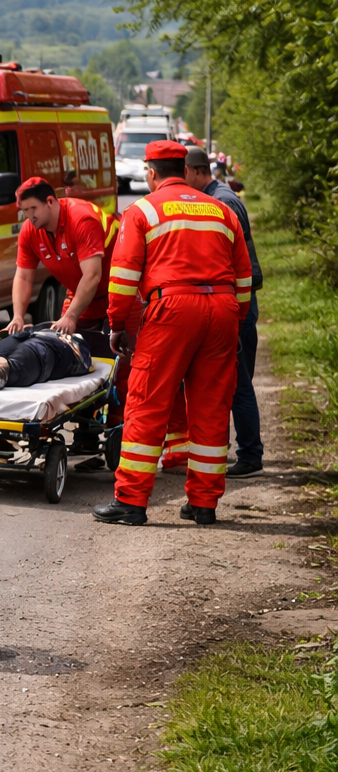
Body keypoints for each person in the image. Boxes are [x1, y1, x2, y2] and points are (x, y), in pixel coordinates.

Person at [92, 140, 252, 526]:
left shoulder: (143, 210)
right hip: (223, 309)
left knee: (147, 403)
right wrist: (233, 321)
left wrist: (117, 325)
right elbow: (244, 278)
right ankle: (204, 504)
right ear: (183, 168)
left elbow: (124, 275)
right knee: (212, 408)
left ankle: (131, 502)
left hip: (172, 310)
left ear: (151, 173)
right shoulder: (220, 209)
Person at [186, 146, 264, 477]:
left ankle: (250, 456)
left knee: (238, 384)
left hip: (236, 307)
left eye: (182, 172)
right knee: (235, 382)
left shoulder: (222, 202)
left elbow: (237, 265)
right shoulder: (217, 196)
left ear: (195, 171)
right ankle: (247, 452)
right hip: (232, 304)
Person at [7, 178, 118, 338]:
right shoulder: (29, 231)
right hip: (82, 297)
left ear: (50, 202)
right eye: (25, 210)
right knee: (66, 349)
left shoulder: (81, 220)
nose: (30, 216)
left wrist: (70, 316)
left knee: (124, 357)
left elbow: (92, 276)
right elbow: (23, 277)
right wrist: (18, 316)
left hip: (118, 296)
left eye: (33, 208)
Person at [0, 327, 93, 389]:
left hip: (46, 344)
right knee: (18, 361)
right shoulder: (76, 343)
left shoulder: (77, 345)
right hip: (33, 340)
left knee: (16, 358)